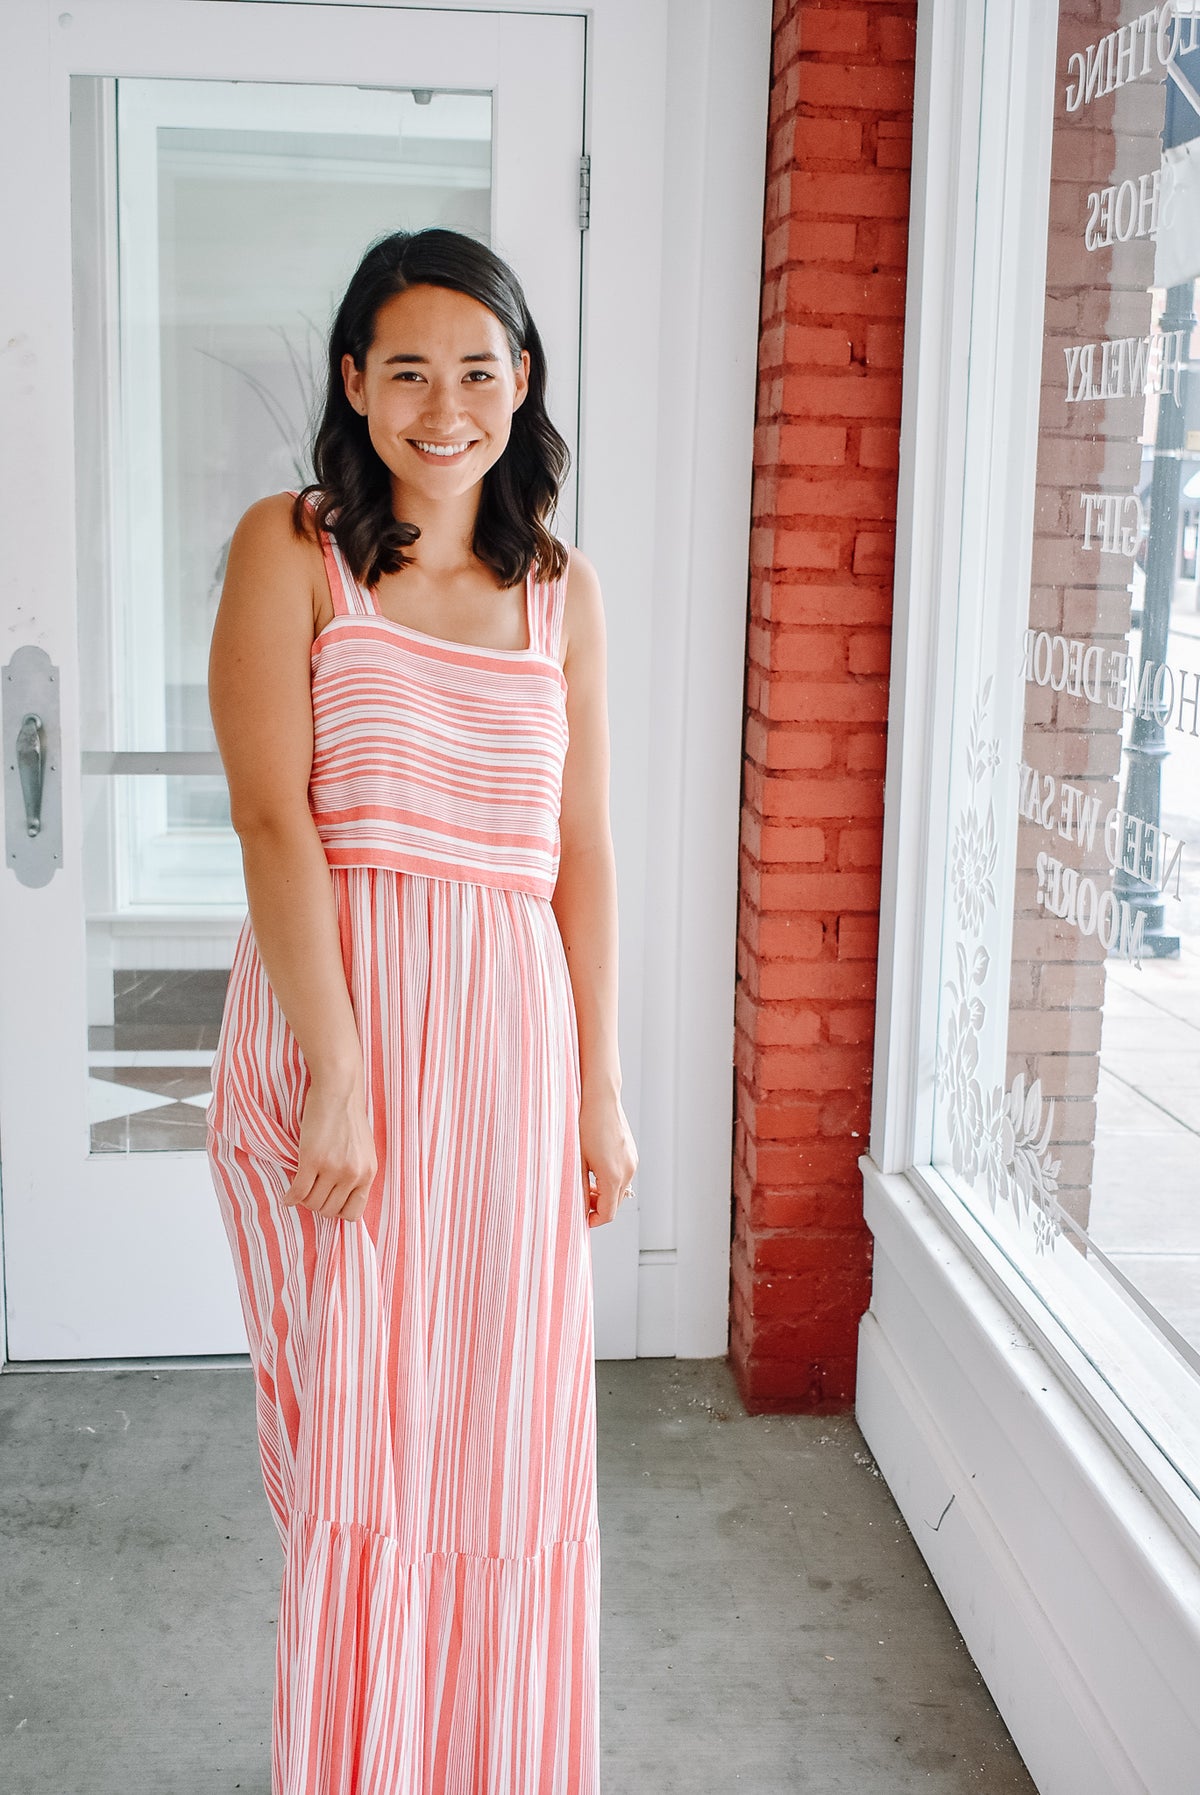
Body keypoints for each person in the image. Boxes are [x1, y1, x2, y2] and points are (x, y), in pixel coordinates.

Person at [205, 225, 637, 1795]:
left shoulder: (561, 591)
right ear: (354, 384)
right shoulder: (294, 548)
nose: (444, 405)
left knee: (507, 1438)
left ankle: (498, 1758)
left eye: (477, 369)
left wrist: (598, 1086)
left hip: (511, 1052)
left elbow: (579, 855)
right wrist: (335, 1075)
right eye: (407, 371)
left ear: (522, 386)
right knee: (365, 1441)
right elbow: (273, 824)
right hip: (350, 1033)